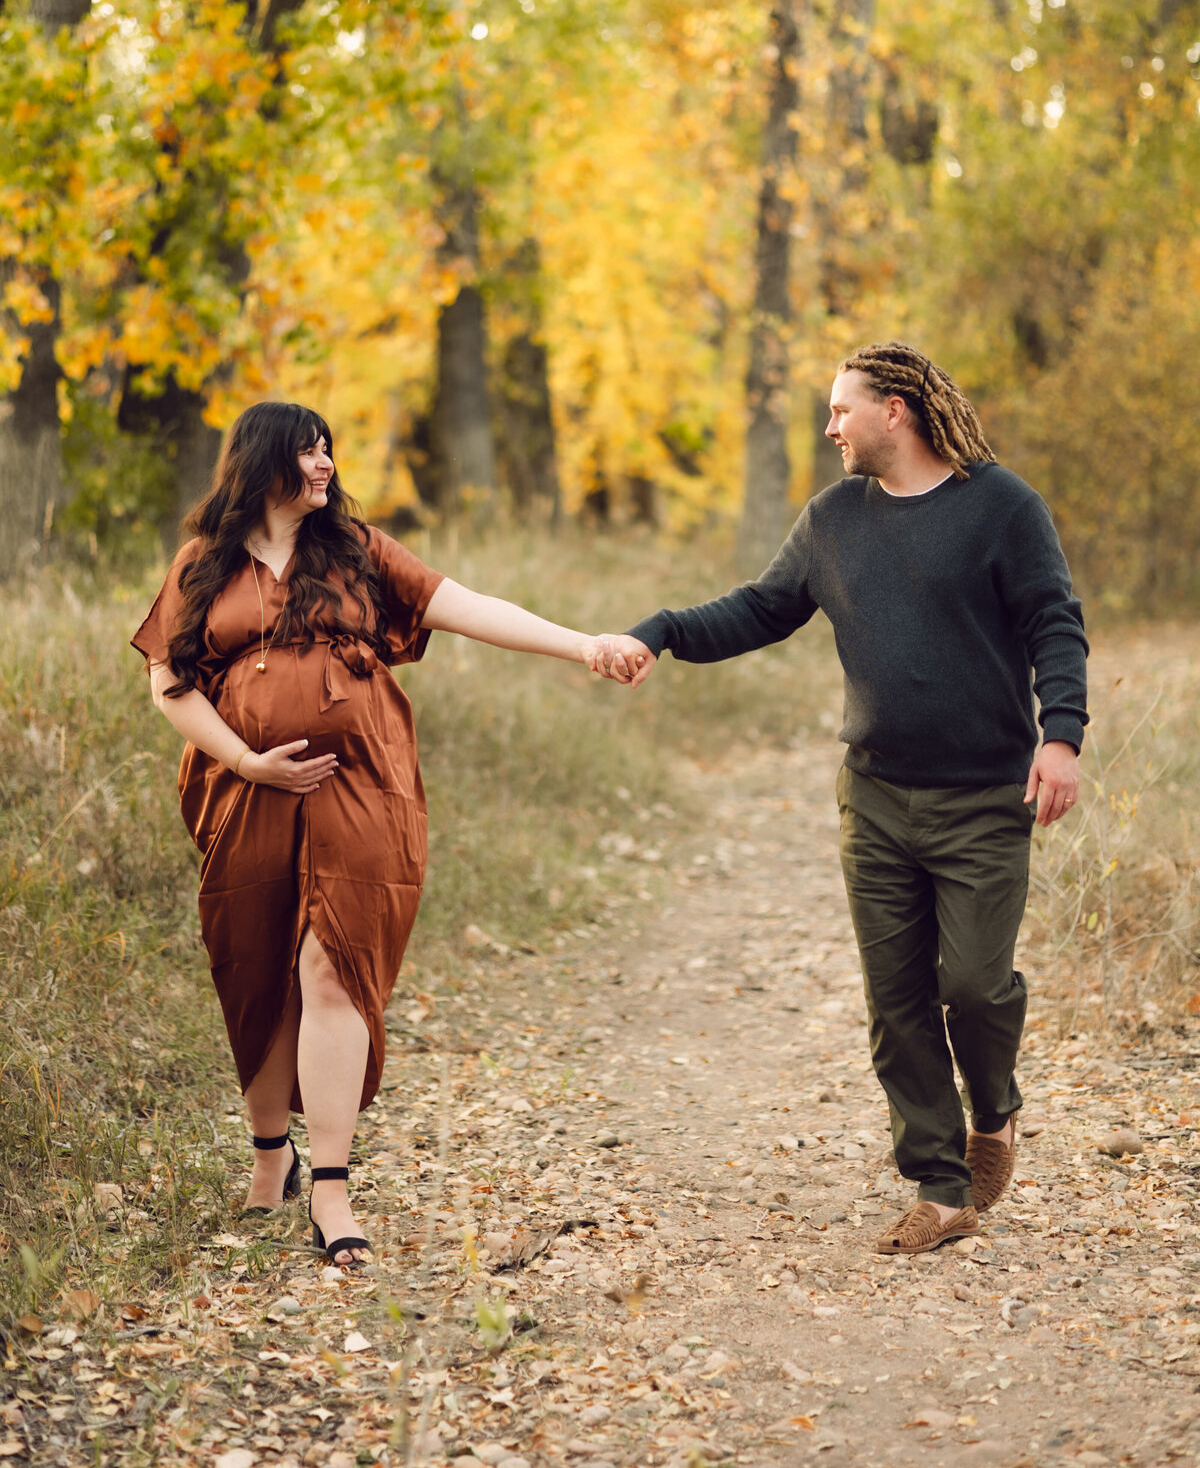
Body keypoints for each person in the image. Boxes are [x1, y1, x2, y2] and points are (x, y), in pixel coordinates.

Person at [597, 342, 1088, 1255]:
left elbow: (1055, 621)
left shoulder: (1003, 508)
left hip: (984, 796)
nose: (829, 429)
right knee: (896, 1002)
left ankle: (996, 1111)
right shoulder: (832, 520)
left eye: (839, 410)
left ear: (894, 410)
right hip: (876, 799)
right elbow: (758, 609)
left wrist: (1061, 735)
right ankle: (940, 1188)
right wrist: (658, 632)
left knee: (975, 988)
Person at [133, 401, 608, 1267]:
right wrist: (246, 759)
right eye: (309, 452)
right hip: (244, 789)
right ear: (264, 463)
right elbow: (169, 681)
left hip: (363, 782)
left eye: (327, 452)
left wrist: (581, 645)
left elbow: (467, 605)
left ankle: (333, 1189)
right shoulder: (202, 562)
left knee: (332, 961)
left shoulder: (355, 549)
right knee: (257, 958)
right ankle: (269, 1155)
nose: (324, 465)